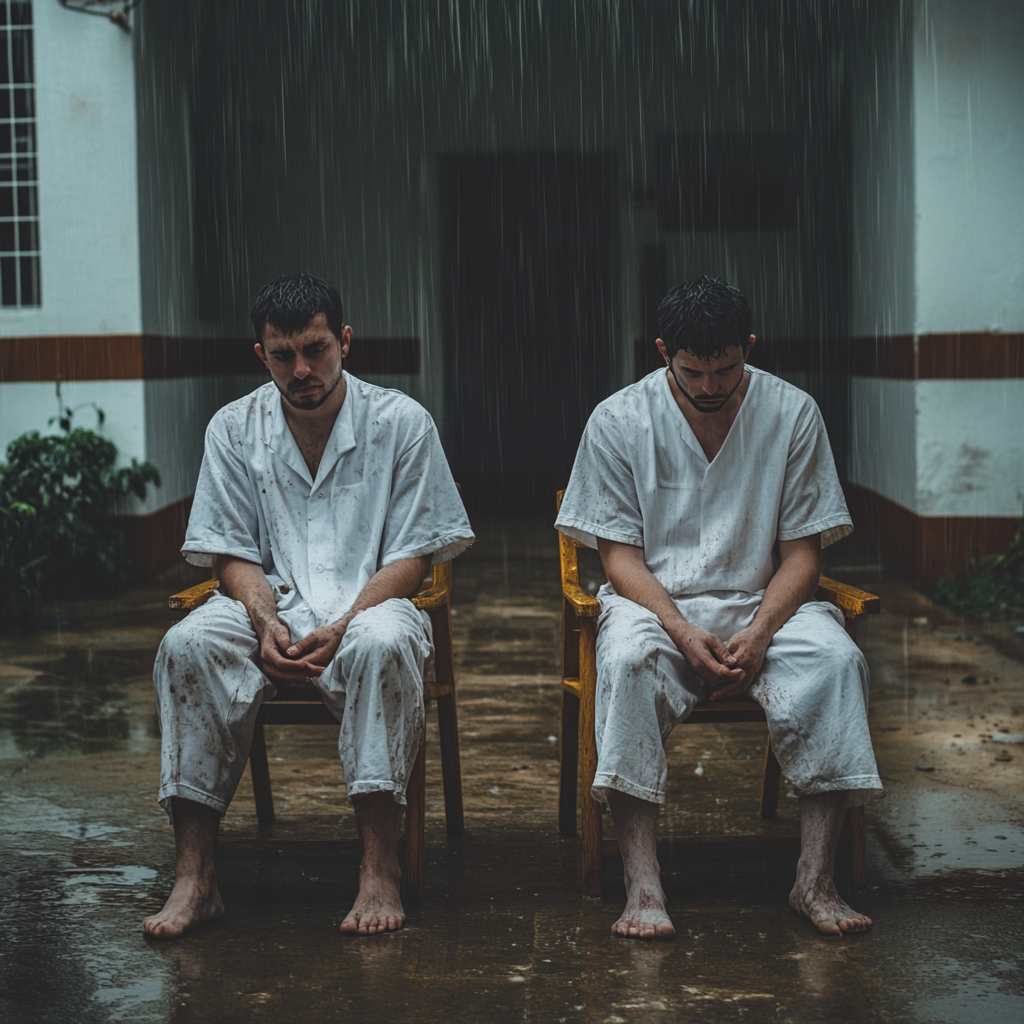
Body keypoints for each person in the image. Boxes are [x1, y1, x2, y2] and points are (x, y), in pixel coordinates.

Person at [143, 274, 474, 940]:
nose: (301, 370)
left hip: (372, 604)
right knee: (187, 645)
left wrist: (346, 621)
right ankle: (196, 878)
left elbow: (414, 556)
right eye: (282, 355)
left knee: (381, 643)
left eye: (316, 349)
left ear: (345, 342)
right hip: (270, 605)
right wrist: (264, 619)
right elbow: (229, 553)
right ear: (259, 355)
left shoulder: (401, 424)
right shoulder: (235, 429)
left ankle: (380, 870)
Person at [555, 276, 882, 940]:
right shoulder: (619, 419)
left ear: (749, 349)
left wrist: (761, 631)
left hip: (765, 604)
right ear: (662, 352)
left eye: (725, 369)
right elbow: (619, 560)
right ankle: (642, 885)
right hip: (654, 606)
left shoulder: (792, 414)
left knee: (837, 662)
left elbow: (802, 555)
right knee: (626, 661)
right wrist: (678, 627)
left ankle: (814, 879)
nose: (709, 387)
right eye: (692, 371)